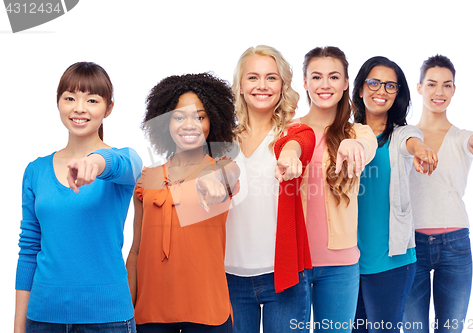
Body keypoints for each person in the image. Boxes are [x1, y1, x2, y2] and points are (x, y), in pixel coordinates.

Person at [14, 62, 142, 333]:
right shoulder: (35, 170)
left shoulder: (124, 161)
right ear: (58, 102)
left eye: (92, 100)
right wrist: (18, 326)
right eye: (70, 98)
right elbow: (29, 251)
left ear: (109, 108)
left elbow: (123, 164)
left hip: (108, 319)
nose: (79, 108)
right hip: (43, 317)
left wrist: (94, 163)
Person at [126, 73, 240, 333]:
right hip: (151, 315)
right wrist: (126, 308)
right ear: (166, 122)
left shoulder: (222, 169)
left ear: (213, 121)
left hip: (208, 314)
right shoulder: (147, 178)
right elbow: (136, 251)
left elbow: (231, 175)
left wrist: (216, 180)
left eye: (200, 117)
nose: (190, 125)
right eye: (179, 117)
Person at [224, 45, 315, 333]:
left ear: (283, 85)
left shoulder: (295, 132)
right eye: (253, 77)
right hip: (227, 276)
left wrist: (289, 155)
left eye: (271, 78)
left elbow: (298, 144)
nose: (262, 85)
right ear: (239, 86)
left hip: (284, 277)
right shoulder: (221, 139)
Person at [403, 55, 473, 333]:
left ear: (454, 89)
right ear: (419, 87)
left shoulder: (461, 136)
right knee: (414, 329)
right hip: (410, 246)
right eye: (431, 84)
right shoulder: (404, 136)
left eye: (446, 85)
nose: (439, 92)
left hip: (455, 245)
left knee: (450, 329)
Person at [351, 56, 438, 333]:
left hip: (391, 261)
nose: (382, 91)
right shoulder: (345, 134)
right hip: (346, 263)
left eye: (391, 86)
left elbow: (413, 142)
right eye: (374, 82)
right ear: (361, 88)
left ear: (398, 93)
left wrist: (422, 150)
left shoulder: (401, 134)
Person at [299, 46, 377, 332]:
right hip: (293, 262)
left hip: (340, 267)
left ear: (345, 84)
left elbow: (366, 148)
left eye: (334, 77)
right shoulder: (287, 132)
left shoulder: (359, 132)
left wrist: (351, 143)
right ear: (305, 83)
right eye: (316, 77)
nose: (325, 85)